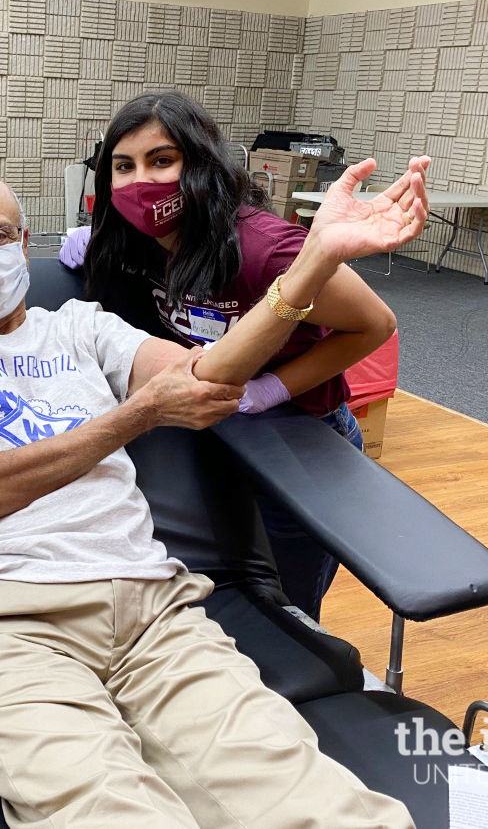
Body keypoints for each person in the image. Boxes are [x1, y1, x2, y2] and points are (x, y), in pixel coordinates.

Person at [0, 166, 428, 829]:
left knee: (310, 803)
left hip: (150, 611)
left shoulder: (81, 328)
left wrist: (312, 264)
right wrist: (137, 414)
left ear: (24, 242)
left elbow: (202, 376)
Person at [61, 91, 429, 621]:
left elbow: (375, 326)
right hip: (214, 425)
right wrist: (95, 245)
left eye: (162, 160)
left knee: (289, 602)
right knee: (218, 579)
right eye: (124, 166)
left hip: (298, 434)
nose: (142, 180)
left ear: (201, 165)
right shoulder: (136, 243)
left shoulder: (266, 250)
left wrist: (271, 389)